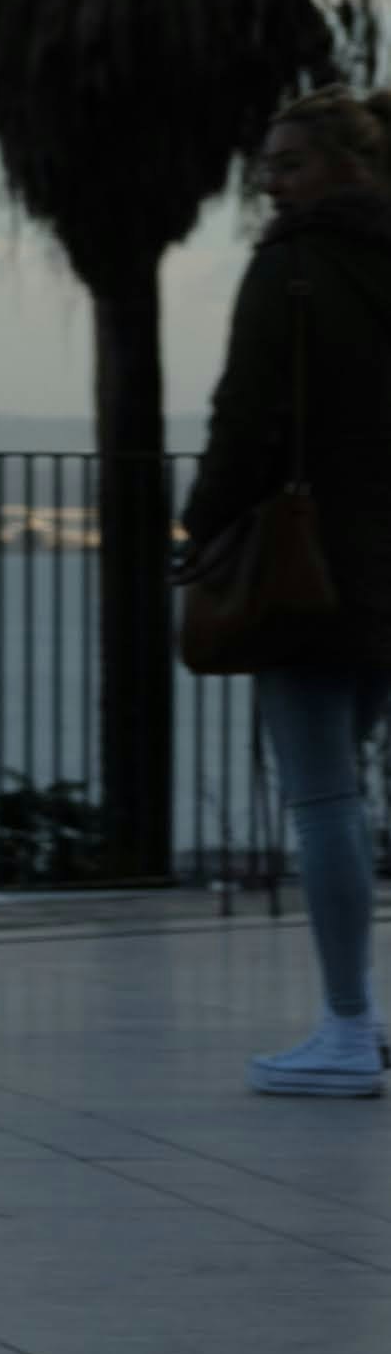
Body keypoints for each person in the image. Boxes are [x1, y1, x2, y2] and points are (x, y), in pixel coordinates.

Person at [189, 84, 391, 1095]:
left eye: (288, 164)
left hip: (314, 565)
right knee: (352, 782)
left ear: (348, 165)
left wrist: (202, 526)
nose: (269, 184)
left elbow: (245, 413)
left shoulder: (294, 266)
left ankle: (347, 1028)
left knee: (323, 800)